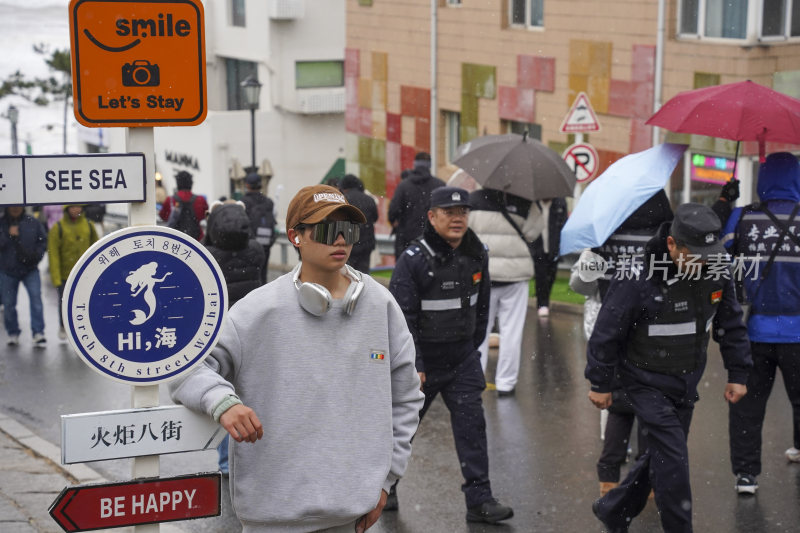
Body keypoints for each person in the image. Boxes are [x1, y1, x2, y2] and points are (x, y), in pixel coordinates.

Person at [169, 184, 424, 532]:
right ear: (295, 236)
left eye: (348, 230)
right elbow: (187, 367)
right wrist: (223, 402)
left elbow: (407, 398)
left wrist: (385, 482)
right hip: (271, 519)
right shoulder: (257, 310)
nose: (340, 240)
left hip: (352, 516)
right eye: (325, 229)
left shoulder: (381, 305)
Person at [587, 203, 752, 533]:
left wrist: (738, 373)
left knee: (660, 457)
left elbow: (730, 324)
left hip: (686, 380)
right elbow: (606, 333)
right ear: (672, 244)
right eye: (696, 254)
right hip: (644, 381)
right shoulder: (636, 277)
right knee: (674, 462)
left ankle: (614, 509)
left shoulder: (718, 269)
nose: (703, 261)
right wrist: (600, 382)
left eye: (710, 252)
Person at [389, 186, 514, 524]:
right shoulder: (413, 260)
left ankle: (479, 500)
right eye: (449, 212)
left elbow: (483, 305)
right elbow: (401, 318)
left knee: (472, 428)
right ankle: (384, 489)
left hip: (461, 360)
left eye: (463, 213)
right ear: (432, 216)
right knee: (403, 429)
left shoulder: (476, 254)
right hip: (424, 364)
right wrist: (414, 364)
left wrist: (472, 347)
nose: (458, 219)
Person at [572, 190, 673, 496]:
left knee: (617, 403)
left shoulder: (606, 237)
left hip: (612, 327)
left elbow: (580, 286)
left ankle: (609, 476)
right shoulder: (667, 240)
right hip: (654, 329)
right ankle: (648, 475)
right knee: (651, 403)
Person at [722, 152, 800, 495]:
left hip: (753, 332)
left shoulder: (743, 217)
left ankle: (746, 476)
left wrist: (727, 201)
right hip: (799, 334)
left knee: (747, 406)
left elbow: (717, 259)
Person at [202, 199, 265, 476]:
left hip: (219, 332)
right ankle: (256, 453)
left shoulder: (207, 254)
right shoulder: (256, 250)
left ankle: (227, 462)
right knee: (251, 390)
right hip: (252, 328)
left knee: (224, 394)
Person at [468, 188, 545, 396]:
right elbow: (534, 233)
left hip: (483, 274)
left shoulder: (472, 200)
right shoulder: (526, 203)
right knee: (512, 332)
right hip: (516, 274)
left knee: (479, 331)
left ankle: (475, 378)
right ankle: (506, 383)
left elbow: (465, 235)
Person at [48, 205, 99, 341]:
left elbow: (96, 248)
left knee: (86, 303)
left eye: (78, 207)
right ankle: (63, 326)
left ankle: (85, 329)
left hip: (85, 276)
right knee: (64, 303)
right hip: (65, 275)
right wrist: (56, 277)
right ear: (66, 209)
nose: (75, 210)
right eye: (72, 207)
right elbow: (53, 254)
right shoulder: (58, 228)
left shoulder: (89, 225)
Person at [0, 206, 47, 347]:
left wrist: (36, 257)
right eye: (12, 205)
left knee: (36, 300)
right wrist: (9, 235)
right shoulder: (2, 223)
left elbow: (42, 240)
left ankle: (38, 332)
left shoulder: (32, 221)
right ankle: (12, 332)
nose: (15, 208)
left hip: (30, 269)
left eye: (18, 205)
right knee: (8, 304)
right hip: (8, 270)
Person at [388, 152, 445, 259]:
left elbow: (393, 210)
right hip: (433, 240)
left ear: (415, 164)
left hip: (406, 240)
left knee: (406, 272)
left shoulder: (404, 186)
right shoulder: (440, 186)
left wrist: (396, 222)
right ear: (429, 165)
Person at [530, 197, 568, 317]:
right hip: (538, 247)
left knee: (551, 275)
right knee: (541, 276)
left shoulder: (560, 203)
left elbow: (564, 224)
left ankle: (544, 299)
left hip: (553, 247)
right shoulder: (534, 204)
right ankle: (542, 304)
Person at [239, 172, 276, 284]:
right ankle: (263, 294)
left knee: (250, 275)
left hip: (250, 243)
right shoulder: (269, 202)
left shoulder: (243, 202)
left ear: (247, 185)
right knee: (263, 273)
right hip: (266, 242)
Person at [339, 174, 378, 274]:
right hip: (366, 244)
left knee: (347, 275)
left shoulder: (343, 200)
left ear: (345, 187)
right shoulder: (369, 199)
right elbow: (375, 218)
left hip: (349, 243)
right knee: (363, 275)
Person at [159, 170, 208, 241]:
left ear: (177, 183)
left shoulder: (170, 200)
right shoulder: (200, 200)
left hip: (175, 239)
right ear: (191, 183)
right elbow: (205, 216)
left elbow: (163, 217)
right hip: (196, 240)